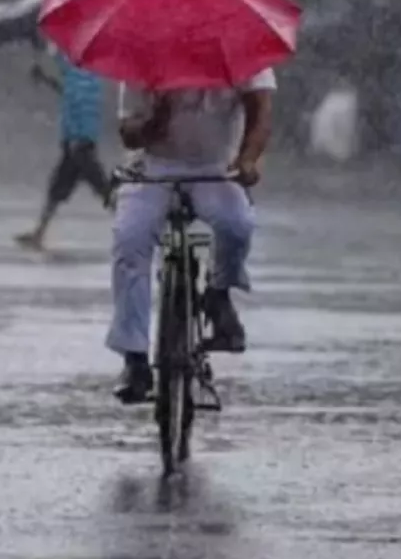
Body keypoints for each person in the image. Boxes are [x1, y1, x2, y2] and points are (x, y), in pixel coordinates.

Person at [108, 70, 276, 403]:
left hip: (215, 169)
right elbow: (129, 134)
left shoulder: (240, 50)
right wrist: (157, 121)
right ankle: (135, 358)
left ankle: (219, 293)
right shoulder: (146, 55)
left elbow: (260, 111)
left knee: (237, 224)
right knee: (129, 242)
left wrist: (247, 159)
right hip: (155, 169)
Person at [14, 39, 113, 250]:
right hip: (75, 144)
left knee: (103, 190)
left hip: (79, 144)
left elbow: (79, 104)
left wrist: (77, 138)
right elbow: (68, 95)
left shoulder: (80, 77)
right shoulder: (83, 74)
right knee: (58, 189)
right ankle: (39, 234)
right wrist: (44, 79)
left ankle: (139, 232)